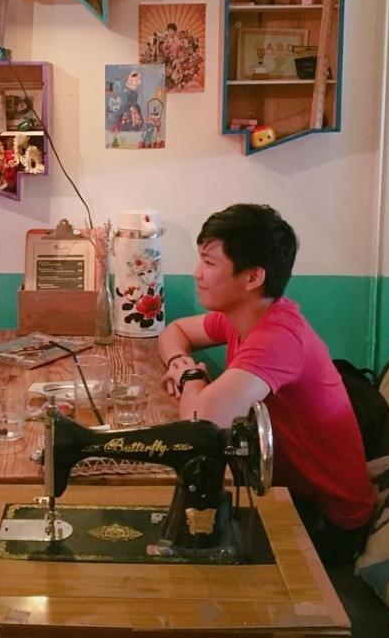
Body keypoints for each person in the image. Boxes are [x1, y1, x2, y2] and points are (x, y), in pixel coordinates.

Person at [157, 203, 375, 566]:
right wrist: (180, 361)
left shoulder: (278, 336)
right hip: (282, 487)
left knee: (189, 548)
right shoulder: (244, 315)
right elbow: (175, 331)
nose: (197, 273)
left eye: (209, 263)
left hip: (327, 516)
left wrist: (192, 377)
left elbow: (201, 421)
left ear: (252, 277)